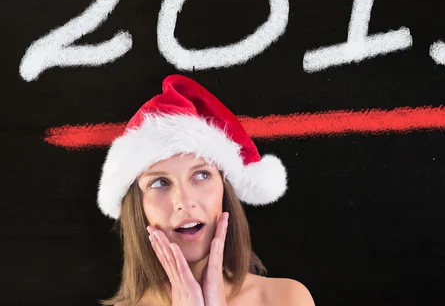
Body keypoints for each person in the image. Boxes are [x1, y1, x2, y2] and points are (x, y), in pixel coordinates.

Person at [97, 74, 315, 306]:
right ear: (138, 206)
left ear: (225, 189)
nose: (184, 201)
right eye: (159, 183)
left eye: (201, 175)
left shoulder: (287, 298)